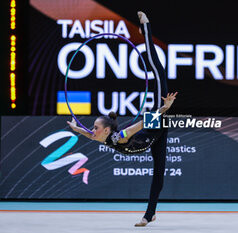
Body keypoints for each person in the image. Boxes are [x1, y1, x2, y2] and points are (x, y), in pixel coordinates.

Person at [67, 11, 177, 227]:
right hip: (154, 132)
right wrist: (166, 108)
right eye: (95, 127)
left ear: (106, 131)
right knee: (159, 175)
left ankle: (146, 29)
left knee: (157, 70)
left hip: (154, 124)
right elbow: (90, 134)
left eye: (95, 127)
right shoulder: (110, 137)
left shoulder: (118, 136)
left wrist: (163, 108)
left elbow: (145, 121)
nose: (92, 129)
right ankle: (151, 213)